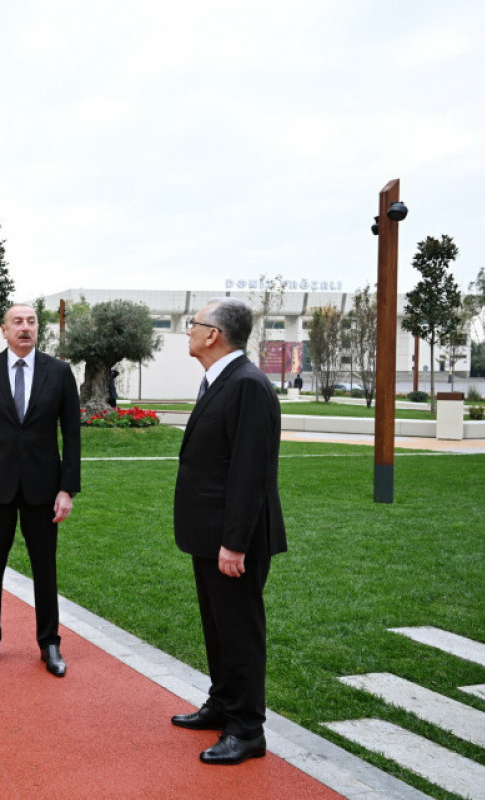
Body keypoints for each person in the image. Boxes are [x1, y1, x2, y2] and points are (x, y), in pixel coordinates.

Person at [171, 297, 287, 765]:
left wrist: (234, 543)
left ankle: (246, 728)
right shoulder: (220, 380)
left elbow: (250, 472)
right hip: (209, 535)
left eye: (193, 324)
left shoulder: (248, 386)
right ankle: (222, 703)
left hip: (232, 541)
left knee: (239, 632)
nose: (188, 331)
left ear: (214, 334)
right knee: (218, 628)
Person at [0, 304, 81, 676]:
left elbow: (72, 438)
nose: (25, 328)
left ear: (37, 329)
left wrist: (67, 490)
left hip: (44, 492)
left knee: (45, 569)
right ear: (4, 329)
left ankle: (50, 643)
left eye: (31, 322)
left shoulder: (59, 373)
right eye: (18, 322)